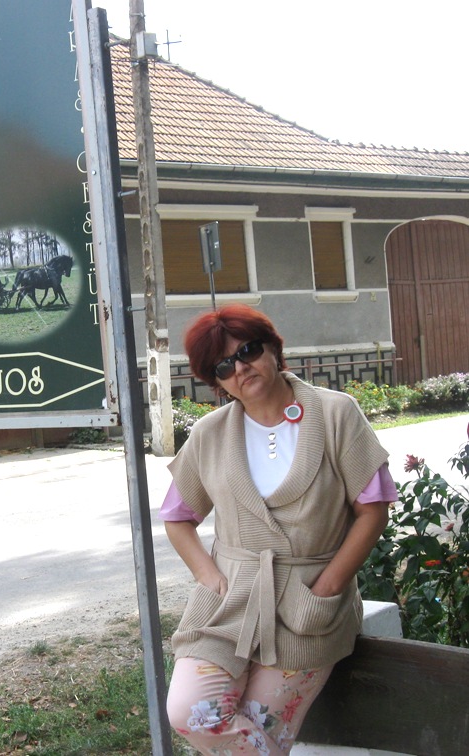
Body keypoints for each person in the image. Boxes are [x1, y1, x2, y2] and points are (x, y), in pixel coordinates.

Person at [162, 304, 396, 755]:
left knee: (262, 724)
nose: (239, 368)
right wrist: (208, 576)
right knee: (192, 712)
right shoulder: (211, 433)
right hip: (229, 604)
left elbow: (373, 509)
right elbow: (177, 516)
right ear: (216, 381)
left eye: (247, 351)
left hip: (306, 605)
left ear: (272, 348)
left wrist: (329, 586)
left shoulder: (335, 413)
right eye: (223, 366)